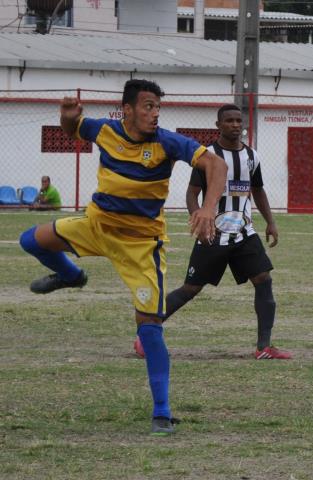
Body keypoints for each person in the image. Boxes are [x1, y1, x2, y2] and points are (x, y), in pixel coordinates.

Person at [18, 79, 227, 435]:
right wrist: (67, 118)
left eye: (158, 107)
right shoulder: (105, 130)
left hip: (140, 244)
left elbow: (216, 165)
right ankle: (71, 276)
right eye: (147, 106)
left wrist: (208, 208)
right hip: (97, 224)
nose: (154, 114)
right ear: (127, 110)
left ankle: (162, 411)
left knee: (149, 326)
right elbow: (73, 131)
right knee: (31, 241)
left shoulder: (166, 142)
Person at [134, 104, 291, 360]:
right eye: (228, 121)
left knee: (264, 280)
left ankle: (264, 347)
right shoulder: (207, 156)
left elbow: (258, 190)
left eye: (238, 120)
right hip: (214, 234)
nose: (235, 125)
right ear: (218, 125)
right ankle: (145, 335)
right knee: (190, 289)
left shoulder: (252, 156)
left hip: (244, 233)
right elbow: (192, 192)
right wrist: (199, 218)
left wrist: (270, 222)